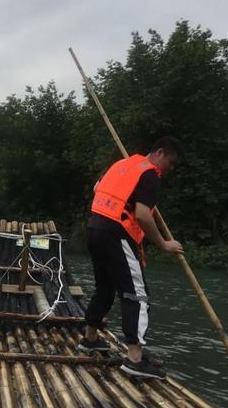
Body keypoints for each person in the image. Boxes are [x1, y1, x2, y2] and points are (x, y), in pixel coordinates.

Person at [78, 136, 185, 380]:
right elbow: (143, 216)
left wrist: (133, 198)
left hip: (95, 227)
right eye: (171, 162)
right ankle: (135, 359)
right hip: (117, 232)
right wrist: (164, 244)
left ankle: (90, 338)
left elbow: (98, 189)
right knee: (136, 294)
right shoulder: (150, 174)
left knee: (105, 287)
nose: (170, 168)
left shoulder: (122, 165)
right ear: (159, 153)